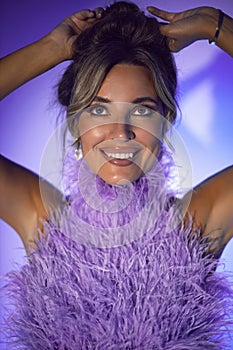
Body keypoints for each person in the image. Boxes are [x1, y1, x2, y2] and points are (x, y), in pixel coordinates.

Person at [0, 1, 233, 348]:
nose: (120, 132)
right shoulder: (43, 220)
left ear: (165, 120)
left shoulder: (197, 225)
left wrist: (217, 27)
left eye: (142, 109)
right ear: (76, 121)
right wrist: (50, 49)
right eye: (98, 108)